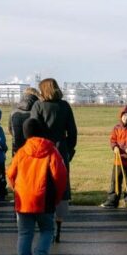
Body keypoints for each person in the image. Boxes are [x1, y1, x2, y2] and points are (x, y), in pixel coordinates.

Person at [7, 118, 67, 255]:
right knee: (47, 230)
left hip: (24, 198)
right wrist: (58, 196)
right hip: (45, 197)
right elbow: (60, 175)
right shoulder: (51, 150)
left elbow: (10, 173)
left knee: (25, 233)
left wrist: (17, 188)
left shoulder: (21, 152)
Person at [30, 78, 77, 242]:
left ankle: (45, 227)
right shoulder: (64, 106)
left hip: (42, 151)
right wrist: (69, 151)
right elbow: (72, 132)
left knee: (43, 186)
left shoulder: (38, 106)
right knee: (61, 188)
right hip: (61, 149)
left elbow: (33, 129)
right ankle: (58, 229)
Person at [9, 88, 40, 155]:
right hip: (33, 148)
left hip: (17, 147)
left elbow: (10, 129)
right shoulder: (38, 110)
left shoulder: (14, 111)